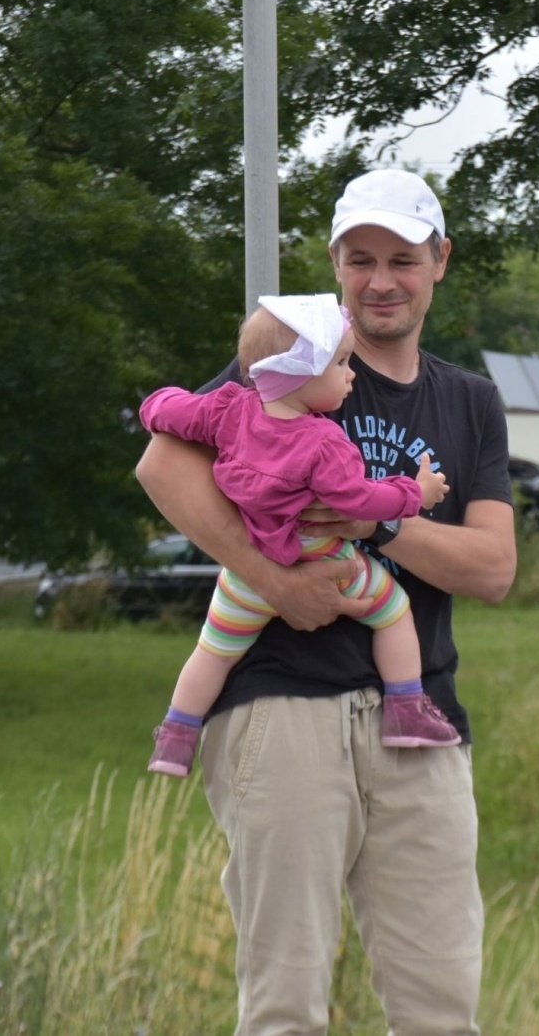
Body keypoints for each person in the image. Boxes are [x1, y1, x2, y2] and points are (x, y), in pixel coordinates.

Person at [135, 168, 516, 1035]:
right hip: (280, 703)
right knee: (285, 1005)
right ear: (335, 265)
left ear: (440, 262)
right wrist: (274, 580)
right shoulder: (286, 359)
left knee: (440, 1005)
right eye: (359, 259)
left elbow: (493, 568)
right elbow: (162, 462)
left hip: (419, 720)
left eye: (402, 260)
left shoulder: (470, 400)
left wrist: (369, 526)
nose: (380, 279)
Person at [138, 292, 460, 778]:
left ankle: (176, 736)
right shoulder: (325, 443)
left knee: (213, 651)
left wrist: (155, 403)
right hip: (320, 559)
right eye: (341, 362)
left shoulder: (230, 410)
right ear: (302, 374)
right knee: (394, 611)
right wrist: (415, 492)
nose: (351, 374)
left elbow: (170, 411)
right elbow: (361, 502)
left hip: (248, 575)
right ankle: (406, 709)